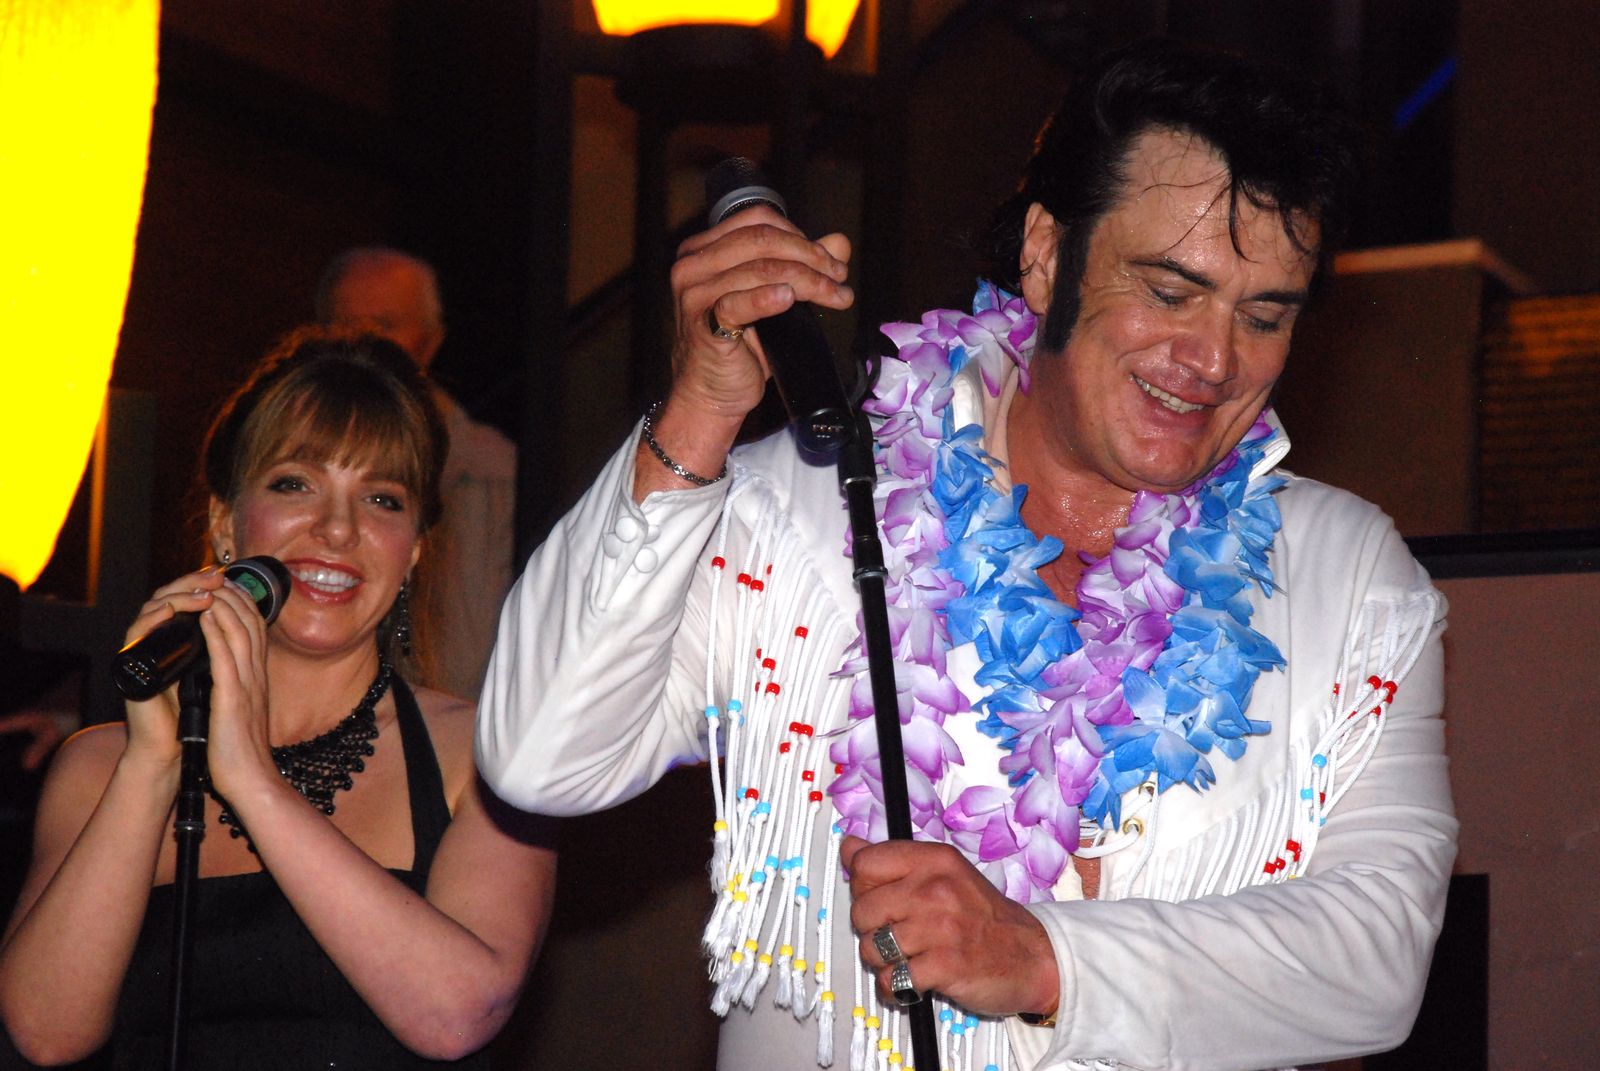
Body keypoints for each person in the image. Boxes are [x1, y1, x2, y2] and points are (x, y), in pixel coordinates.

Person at [475, 40, 1458, 1071]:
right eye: (1170, 292)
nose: (1213, 359)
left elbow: (1379, 954)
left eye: (1261, 316)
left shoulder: (1352, 582)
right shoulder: (797, 511)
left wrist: (1043, 959)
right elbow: (541, 755)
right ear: (1046, 253)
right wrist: (700, 411)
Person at [0, 329, 556, 1067]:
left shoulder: (490, 757)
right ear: (225, 522)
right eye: (296, 484)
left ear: (414, 551)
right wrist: (153, 767)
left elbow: (459, 1013)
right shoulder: (101, 766)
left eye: (382, 499)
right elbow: (45, 1032)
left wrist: (253, 782)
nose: (338, 528)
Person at [316, 247, 516, 701]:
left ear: (430, 342)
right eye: (345, 323)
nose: (362, 341)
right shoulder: (277, 456)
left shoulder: (493, 473)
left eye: (385, 325)